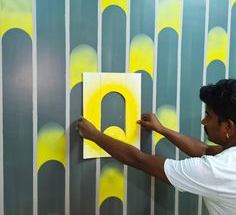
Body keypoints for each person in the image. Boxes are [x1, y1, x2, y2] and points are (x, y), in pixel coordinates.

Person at [76, 79, 236, 215]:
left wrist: (94, 135)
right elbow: (204, 150)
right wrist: (162, 130)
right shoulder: (228, 158)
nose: (204, 121)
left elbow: (139, 160)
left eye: (208, 116)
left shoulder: (218, 170)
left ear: (228, 127)